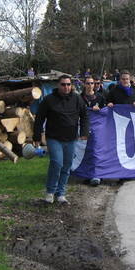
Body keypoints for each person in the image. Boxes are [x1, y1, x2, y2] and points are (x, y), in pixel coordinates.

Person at [33, 75, 88, 204]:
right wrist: (36, 136)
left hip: (71, 138)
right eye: (63, 84)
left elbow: (85, 116)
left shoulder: (77, 99)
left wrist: (84, 132)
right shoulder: (48, 100)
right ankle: (50, 192)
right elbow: (39, 118)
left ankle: (61, 193)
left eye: (68, 84)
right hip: (54, 138)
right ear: (58, 85)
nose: (66, 87)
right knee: (57, 163)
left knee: (67, 165)